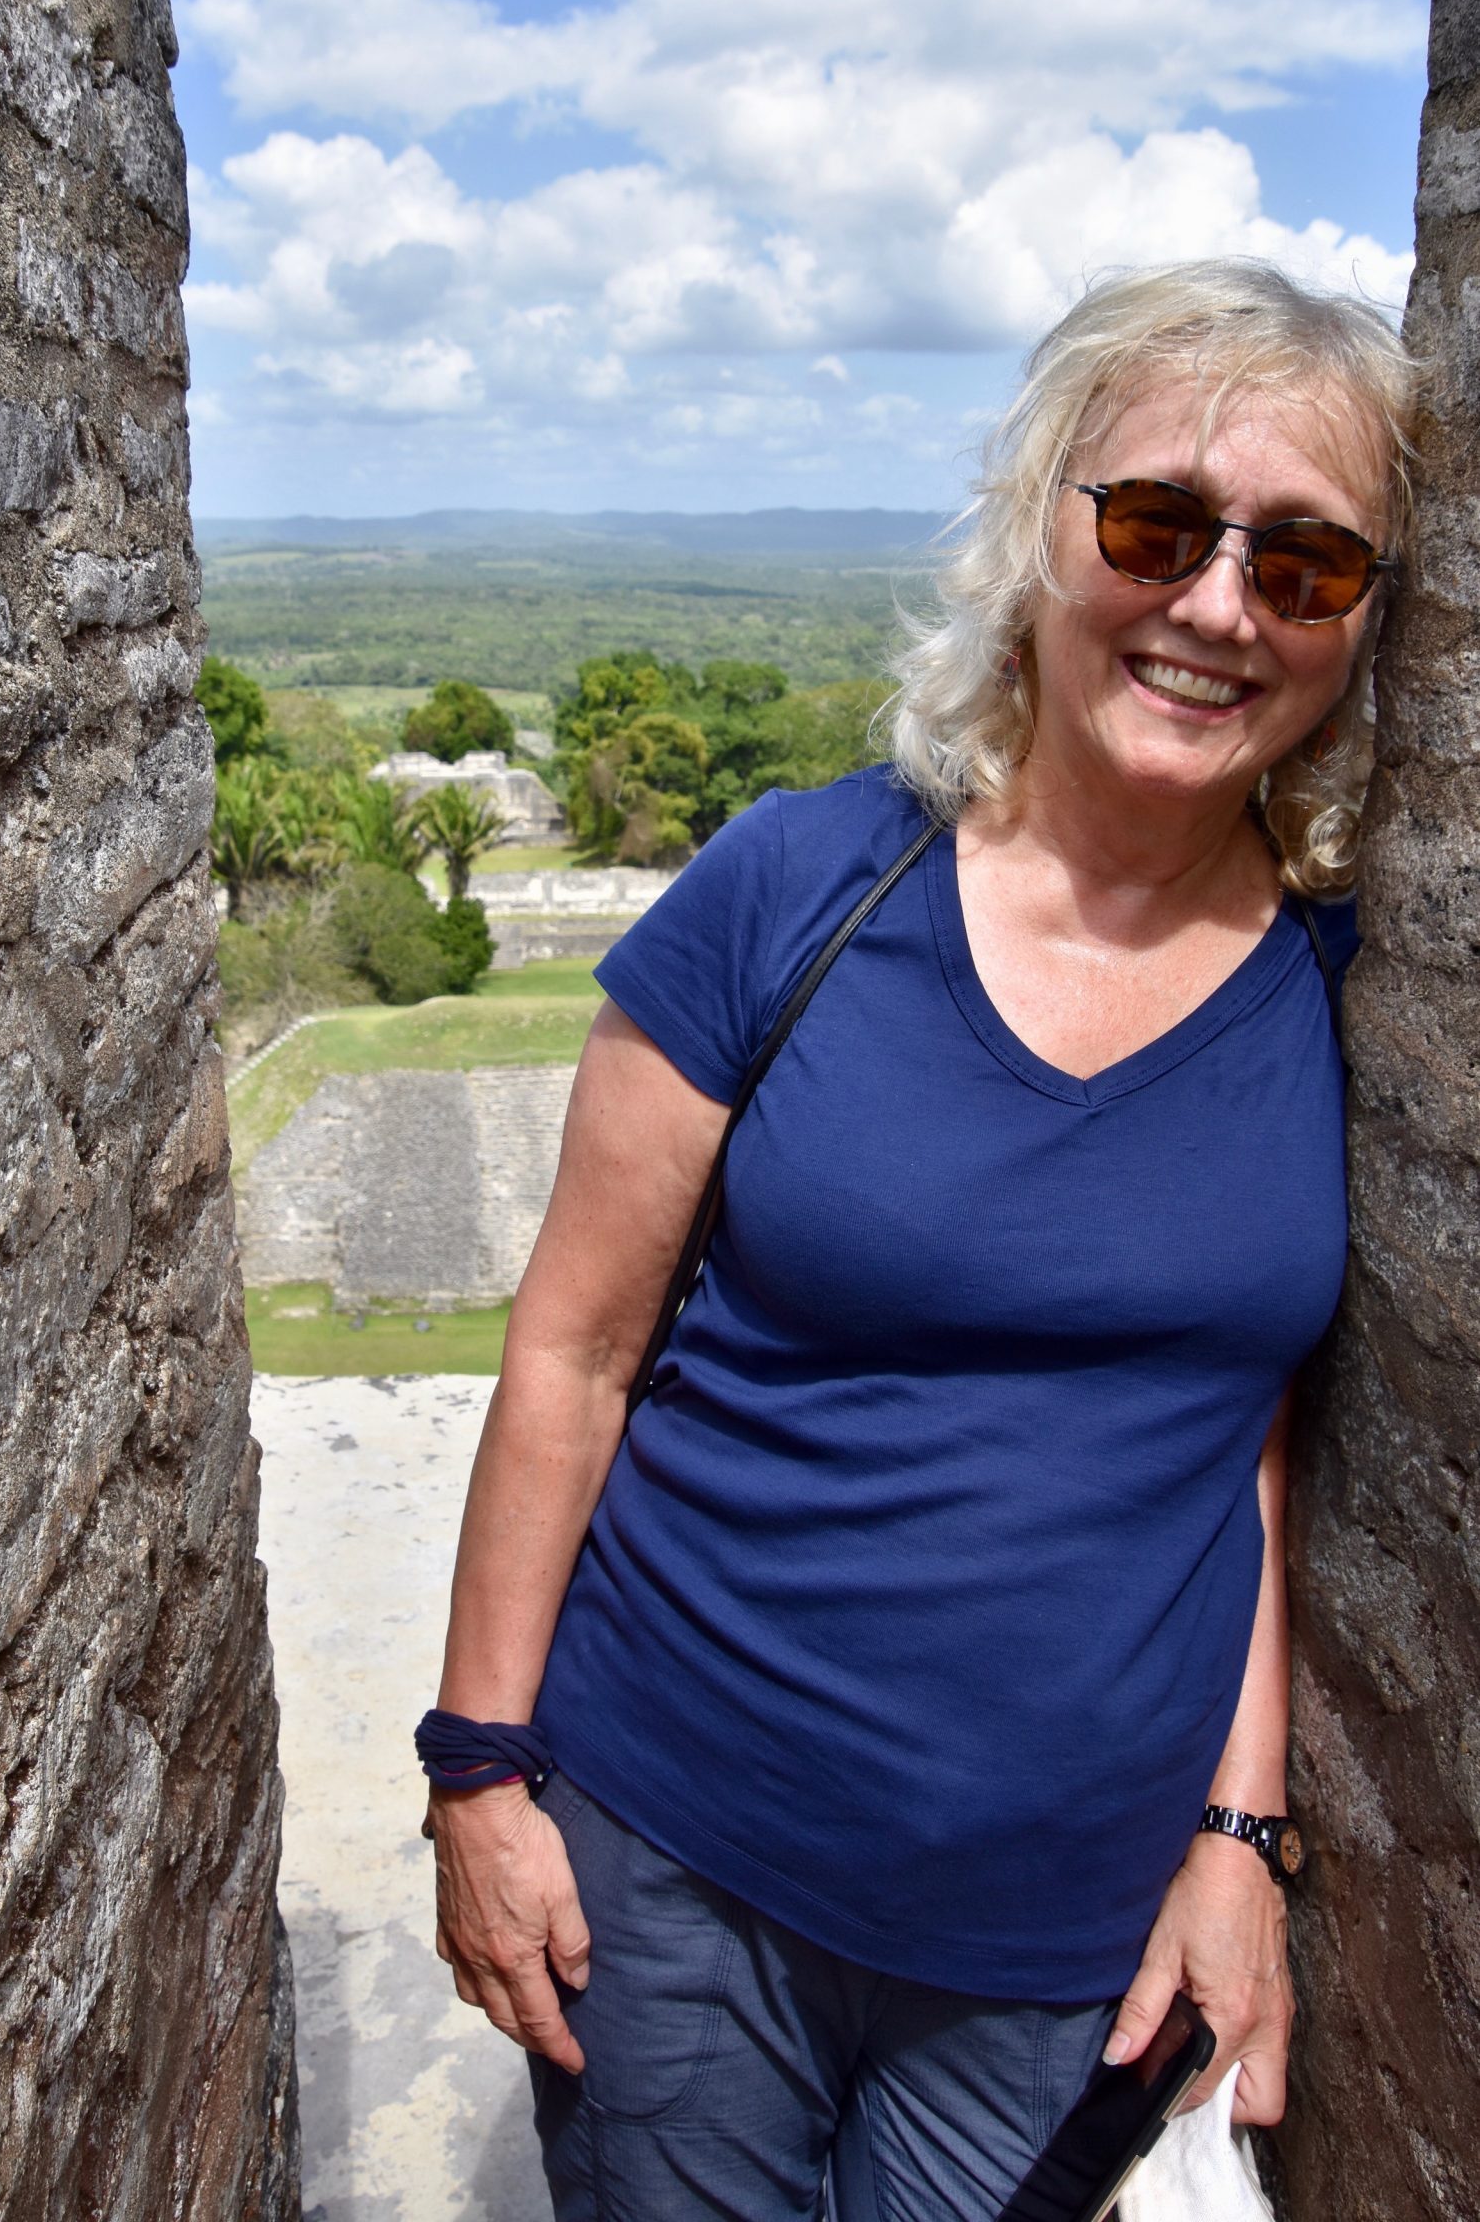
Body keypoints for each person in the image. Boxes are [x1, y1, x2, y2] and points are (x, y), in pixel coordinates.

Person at [418, 259, 1417, 2221]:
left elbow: (1250, 1441)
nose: (1215, 603)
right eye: (1154, 523)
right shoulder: (789, 886)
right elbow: (574, 1350)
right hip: (674, 1851)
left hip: (1057, 1931)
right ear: (1038, 525)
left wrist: (1239, 1828)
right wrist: (476, 1772)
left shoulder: (1341, 996)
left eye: (1302, 566)